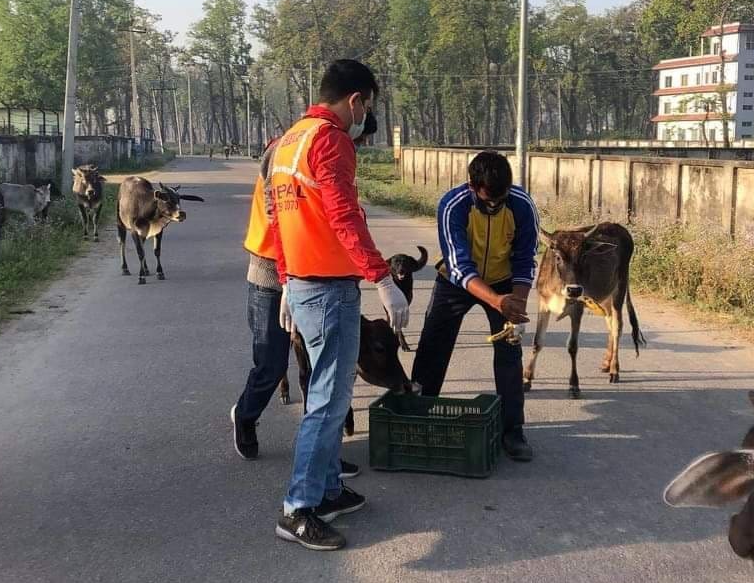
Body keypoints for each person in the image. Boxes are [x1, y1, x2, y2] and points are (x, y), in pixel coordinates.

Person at [266, 59, 409, 551]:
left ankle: (326, 490)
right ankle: (298, 507)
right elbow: (344, 215)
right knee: (328, 402)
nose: (363, 116)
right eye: (365, 106)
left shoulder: (286, 142)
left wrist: (285, 278)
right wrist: (382, 277)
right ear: (356, 100)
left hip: (305, 284)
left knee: (327, 394)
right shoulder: (330, 140)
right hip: (327, 289)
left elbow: (277, 221)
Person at [229, 115, 378, 471]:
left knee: (319, 368)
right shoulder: (285, 150)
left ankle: (322, 457)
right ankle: (246, 415)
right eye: (358, 141)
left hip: (310, 274)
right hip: (271, 269)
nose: (356, 149)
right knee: (272, 363)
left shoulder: (328, 151)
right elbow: (277, 217)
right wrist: (286, 281)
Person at [411, 150, 538, 461]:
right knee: (433, 346)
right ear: (471, 186)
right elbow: (459, 266)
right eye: (486, 201)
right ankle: (418, 416)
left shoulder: (522, 205)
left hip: (504, 282)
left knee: (509, 351)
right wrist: (496, 301)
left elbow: (524, 258)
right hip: (457, 284)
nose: (493, 206)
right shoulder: (452, 205)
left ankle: (513, 430)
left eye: (500, 200)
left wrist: (516, 304)